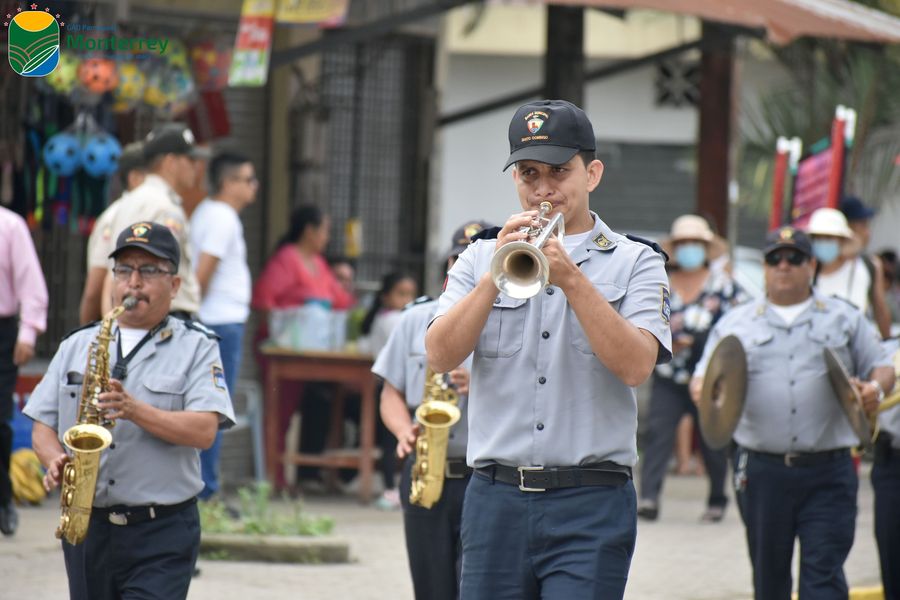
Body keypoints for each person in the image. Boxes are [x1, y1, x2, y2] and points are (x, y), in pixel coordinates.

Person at [425, 99, 673, 599]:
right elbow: (439, 355)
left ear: (592, 174)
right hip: (495, 498)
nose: (543, 189)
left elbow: (636, 367)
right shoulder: (479, 256)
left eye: (559, 171)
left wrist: (573, 280)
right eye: (529, 174)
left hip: (591, 500)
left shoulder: (637, 262)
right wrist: (494, 275)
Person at [25, 222, 235, 600]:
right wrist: (55, 458)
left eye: (148, 270)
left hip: (162, 531)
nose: (133, 283)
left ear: (174, 284)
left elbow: (204, 431)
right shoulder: (77, 344)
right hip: (87, 526)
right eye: (124, 270)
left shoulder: (198, 347)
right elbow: (43, 424)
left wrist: (135, 410)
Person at [690, 226, 894, 600]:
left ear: (811, 265)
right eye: (775, 259)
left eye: (794, 258)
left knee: (824, 578)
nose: (784, 266)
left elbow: (882, 366)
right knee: (769, 581)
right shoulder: (736, 322)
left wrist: (874, 389)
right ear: (765, 267)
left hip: (829, 470)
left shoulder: (844, 317)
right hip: (762, 471)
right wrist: (703, 389)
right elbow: (704, 377)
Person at [373, 220, 489, 599]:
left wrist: (482, 386)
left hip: (485, 476)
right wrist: (402, 430)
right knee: (430, 589)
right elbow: (390, 392)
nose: (466, 266)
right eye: (459, 259)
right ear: (449, 267)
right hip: (426, 469)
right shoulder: (414, 319)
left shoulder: (511, 320)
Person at [637, 214, 746, 523]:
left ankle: (717, 500)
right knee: (658, 434)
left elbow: (738, 327)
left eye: (694, 243)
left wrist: (699, 342)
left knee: (712, 439)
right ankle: (649, 498)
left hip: (710, 378)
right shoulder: (660, 281)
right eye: (683, 243)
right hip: (668, 374)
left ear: (705, 248)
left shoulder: (723, 285)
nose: (689, 249)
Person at [251, 204, 355, 488]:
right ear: (310, 231)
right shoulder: (287, 258)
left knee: (294, 410)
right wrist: (277, 334)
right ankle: (273, 477)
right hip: (281, 349)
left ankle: (288, 475)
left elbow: (340, 300)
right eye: (325, 230)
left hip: (308, 352)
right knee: (279, 413)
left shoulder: (318, 263)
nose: (327, 237)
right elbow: (264, 300)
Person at [190, 150, 257, 501]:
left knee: (209, 405)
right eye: (248, 179)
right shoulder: (221, 217)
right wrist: (192, 313)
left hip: (216, 320)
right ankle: (207, 490)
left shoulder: (209, 211)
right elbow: (204, 270)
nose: (254, 186)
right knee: (215, 407)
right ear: (228, 183)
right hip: (219, 322)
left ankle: (204, 487)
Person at [108, 123, 209, 320]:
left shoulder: (129, 201)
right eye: (190, 159)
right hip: (167, 316)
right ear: (170, 162)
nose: (196, 167)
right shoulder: (165, 207)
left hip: (137, 311)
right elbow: (161, 273)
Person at [0, 206, 48, 536]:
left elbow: (31, 283)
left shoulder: (10, 225)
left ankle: (3, 499)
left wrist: (28, 332)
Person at [359, 272, 418, 510]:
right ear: (385, 297)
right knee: (393, 441)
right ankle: (392, 488)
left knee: (390, 441)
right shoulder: (394, 319)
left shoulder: (381, 318)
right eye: (401, 294)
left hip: (387, 385)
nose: (407, 300)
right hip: (393, 387)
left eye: (411, 294)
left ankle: (392, 487)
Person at [79, 141, 147, 325]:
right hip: (119, 325)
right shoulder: (116, 216)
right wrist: (87, 335)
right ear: (135, 178)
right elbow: (95, 287)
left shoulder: (146, 209)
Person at [808, 205, 891, 338]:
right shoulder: (805, 270)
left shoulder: (866, 266)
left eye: (829, 238)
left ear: (842, 240)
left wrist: (888, 342)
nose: (824, 242)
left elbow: (880, 309)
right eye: (818, 238)